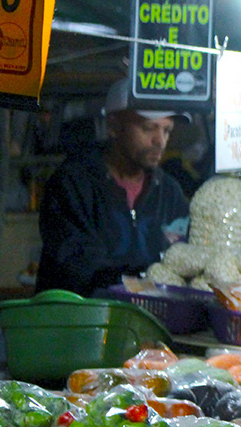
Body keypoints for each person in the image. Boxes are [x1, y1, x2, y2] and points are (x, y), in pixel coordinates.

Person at [35, 78, 191, 298]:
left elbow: (184, 256)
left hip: (147, 320)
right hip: (80, 322)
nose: (160, 141)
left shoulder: (169, 193)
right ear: (114, 126)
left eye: (167, 130)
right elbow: (79, 267)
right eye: (148, 128)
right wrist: (147, 281)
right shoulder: (73, 184)